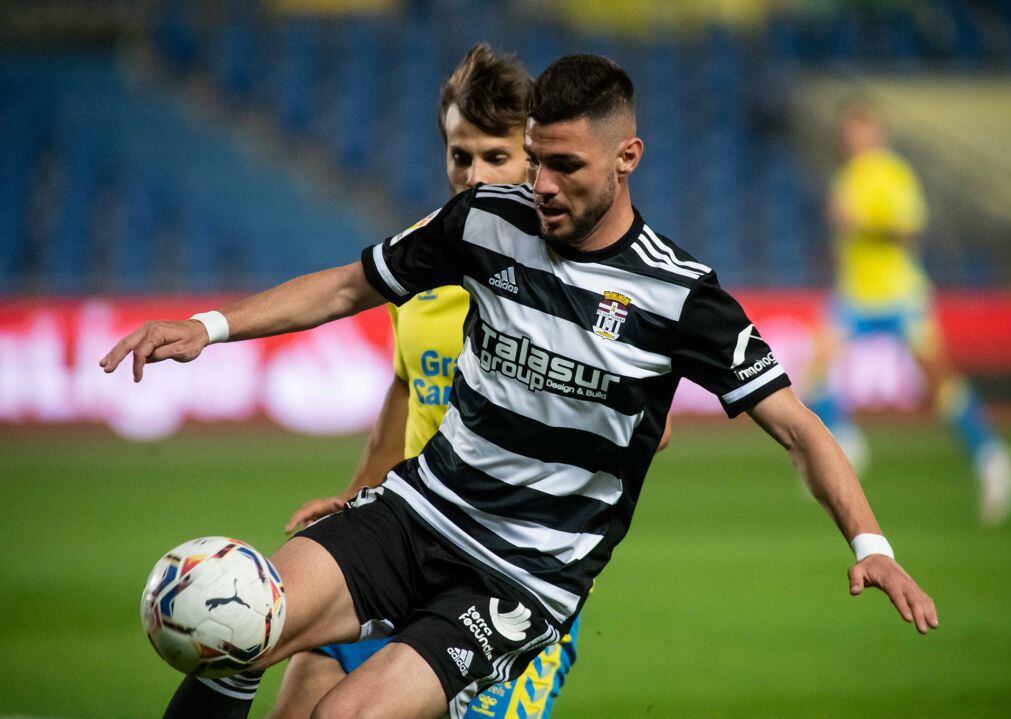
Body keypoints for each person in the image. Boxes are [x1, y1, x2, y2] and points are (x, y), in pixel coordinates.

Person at [101, 55, 938, 719]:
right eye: (535, 160)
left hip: (521, 574)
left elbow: (799, 427)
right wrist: (208, 327)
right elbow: (350, 285)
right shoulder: (486, 220)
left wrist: (872, 546)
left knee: (350, 714)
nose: (541, 184)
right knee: (240, 620)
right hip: (417, 508)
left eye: (565, 166)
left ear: (627, 157)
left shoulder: (684, 298)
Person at [268, 43, 594, 719]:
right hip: (402, 545)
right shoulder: (418, 255)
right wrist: (358, 494)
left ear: (535, 158)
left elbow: (651, 428)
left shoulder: (571, 275)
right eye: (459, 155)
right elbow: (405, 384)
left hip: (507, 577)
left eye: (494, 156)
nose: (472, 175)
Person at [803, 101, 1011, 526]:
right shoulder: (846, 179)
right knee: (813, 376)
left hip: (901, 295)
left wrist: (860, 225)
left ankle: (991, 456)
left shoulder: (893, 175)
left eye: (861, 133)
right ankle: (847, 443)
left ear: (876, 135)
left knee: (940, 382)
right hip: (855, 295)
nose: (854, 141)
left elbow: (908, 233)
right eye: (849, 134)